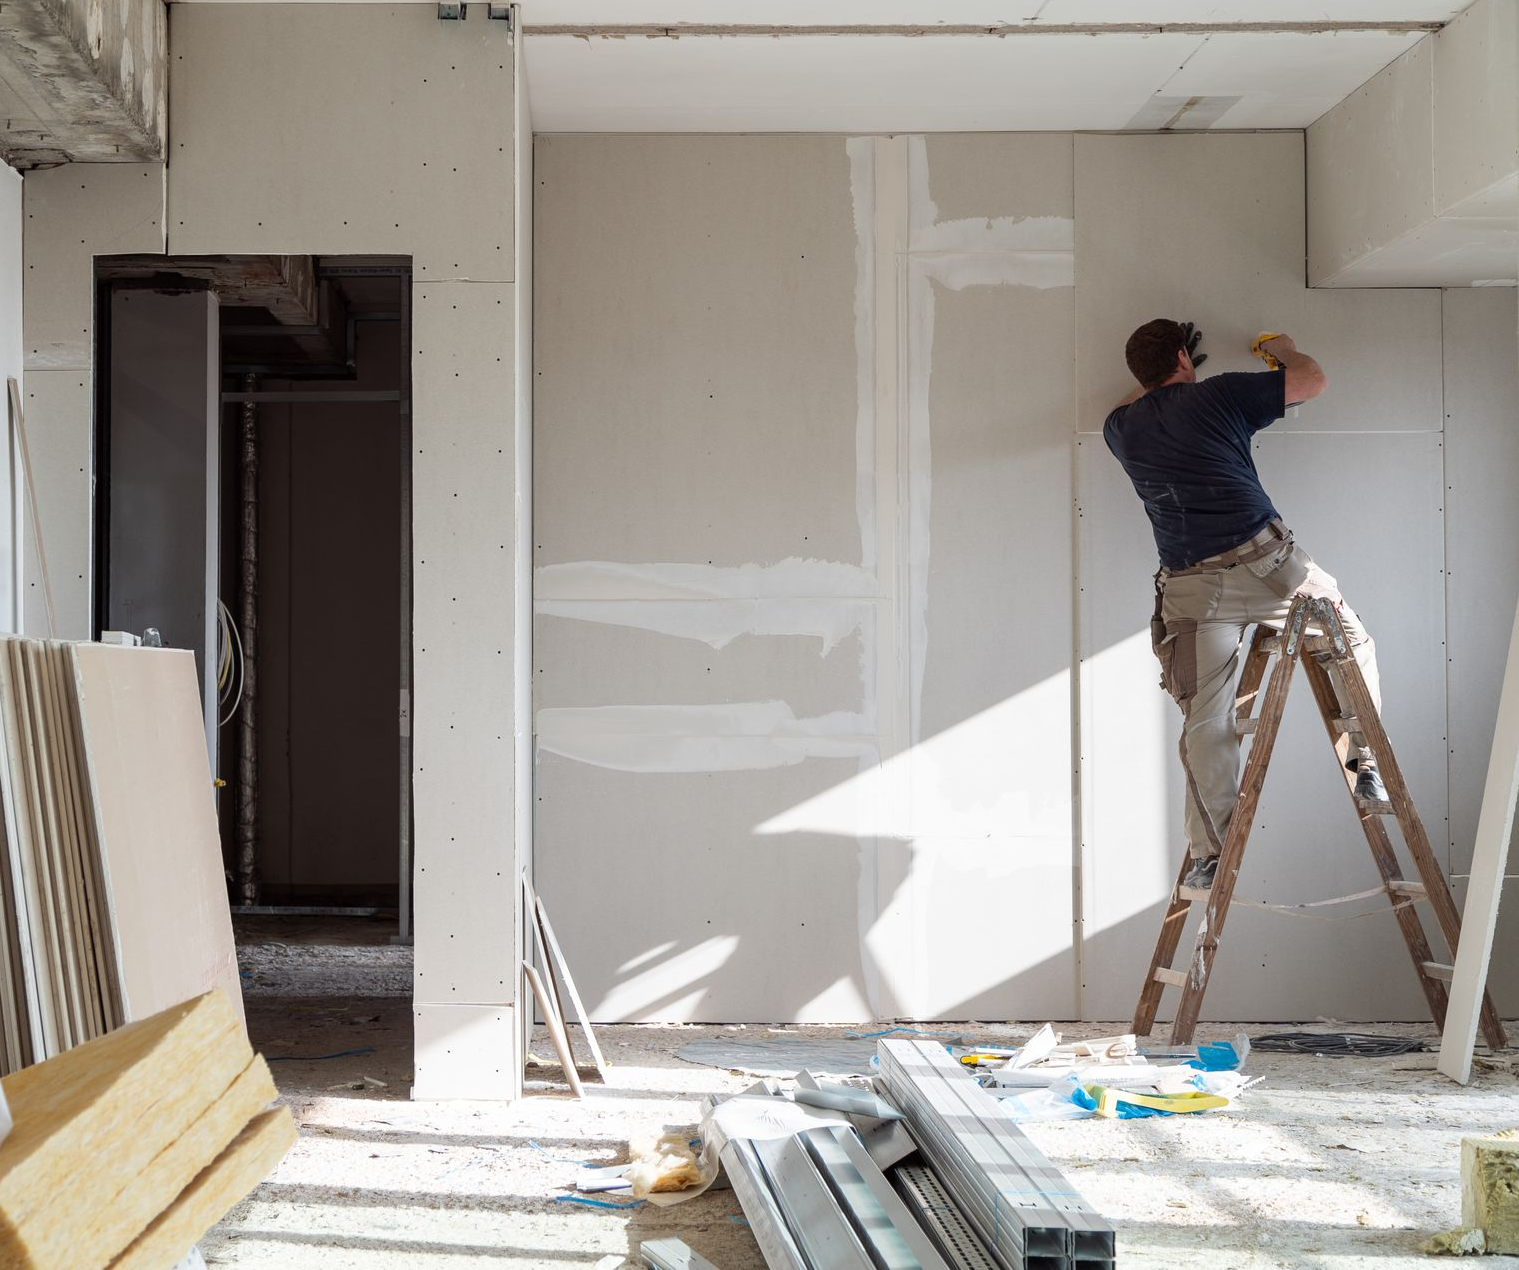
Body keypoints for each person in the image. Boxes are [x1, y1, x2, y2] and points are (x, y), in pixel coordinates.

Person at [1103, 318, 1385, 890]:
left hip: (1189, 588)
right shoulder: (1219, 396)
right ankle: (1367, 765)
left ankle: (1212, 853)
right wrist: (1278, 348)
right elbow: (1310, 380)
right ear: (1185, 357)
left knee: (1205, 718)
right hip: (1269, 566)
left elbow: (1140, 395)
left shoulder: (1121, 428)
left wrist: (1168, 377)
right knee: (1351, 640)